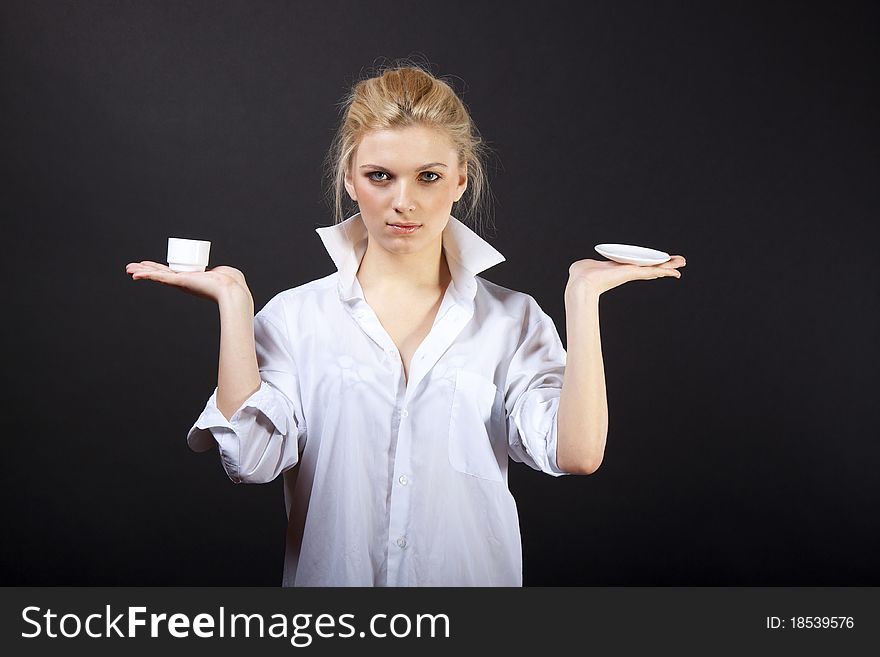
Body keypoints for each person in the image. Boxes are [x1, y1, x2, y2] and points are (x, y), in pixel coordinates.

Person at [125, 61, 686, 587]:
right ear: (350, 179)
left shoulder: (511, 321)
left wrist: (582, 297)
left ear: (460, 181)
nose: (403, 202)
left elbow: (576, 454)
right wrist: (234, 303)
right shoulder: (295, 319)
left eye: (428, 176)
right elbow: (250, 462)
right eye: (380, 176)